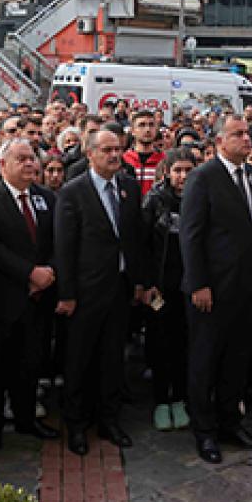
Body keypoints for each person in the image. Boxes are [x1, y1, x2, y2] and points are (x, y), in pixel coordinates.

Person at [179, 116, 252, 463]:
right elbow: (191, 236)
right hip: (212, 289)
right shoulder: (202, 178)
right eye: (238, 135)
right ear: (219, 142)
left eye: (247, 134)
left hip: (246, 288)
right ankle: (204, 431)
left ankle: (231, 421)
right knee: (206, 360)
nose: (246, 140)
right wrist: (198, 283)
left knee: (237, 359)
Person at [54, 128, 150, 456]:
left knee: (113, 358)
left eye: (118, 150)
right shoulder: (73, 191)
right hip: (85, 291)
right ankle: (77, 425)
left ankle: (109, 420)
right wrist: (66, 293)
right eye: (107, 150)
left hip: (120, 289)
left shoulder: (128, 187)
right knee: (79, 359)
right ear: (90, 153)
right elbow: (64, 247)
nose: (114, 156)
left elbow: (134, 237)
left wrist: (137, 281)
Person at [0, 138, 60, 451]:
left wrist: (48, 272)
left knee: (31, 362)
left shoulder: (46, 198)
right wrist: (29, 273)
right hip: (3, 298)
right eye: (22, 159)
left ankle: (26, 418)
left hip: (39, 298)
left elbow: (56, 241)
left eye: (32, 159)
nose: (30, 165)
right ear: (3, 165)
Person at [142, 149, 197, 430]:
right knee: (160, 343)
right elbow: (144, 245)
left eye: (188, 170)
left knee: (184, 344)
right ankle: (162, 400)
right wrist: (147, 283)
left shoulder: (199, 200)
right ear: (167, 172)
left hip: (189, 284)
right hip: (161, 285)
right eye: (177, 170)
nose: (183, 176)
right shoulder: (154, 201)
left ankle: (180, 398)